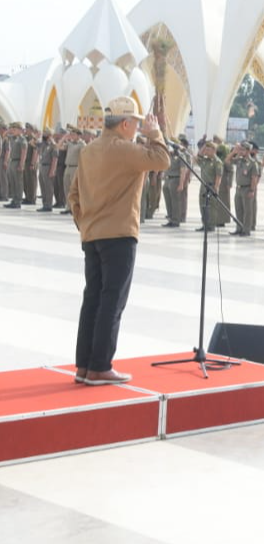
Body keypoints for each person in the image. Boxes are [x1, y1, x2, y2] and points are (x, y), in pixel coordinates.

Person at [68, 97, 170, 385]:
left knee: (92, 299)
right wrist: (155, 133)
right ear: (125, 124)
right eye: (136, 123)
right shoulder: (124, 149)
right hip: (119, 236)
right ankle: (100, 366)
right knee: (112, 302)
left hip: (92, 236)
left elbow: (73, 194)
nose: (137, 128)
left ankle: (84, 366)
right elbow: (162, 160)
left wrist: (85, 223)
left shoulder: (88, 150)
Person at [195, 140, 223, 232]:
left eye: (208, 149)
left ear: (214, 150)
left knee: (211, 208)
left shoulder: (217, 162)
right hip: (203, 187)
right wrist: (204, 146)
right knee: (202, 206)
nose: (206, 151)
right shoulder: (205, 160)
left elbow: (218, 176)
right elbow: (196, 158)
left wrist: (216, 188)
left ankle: (211, 225)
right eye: (205, 149)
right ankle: (205, 224)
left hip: (211, 187)